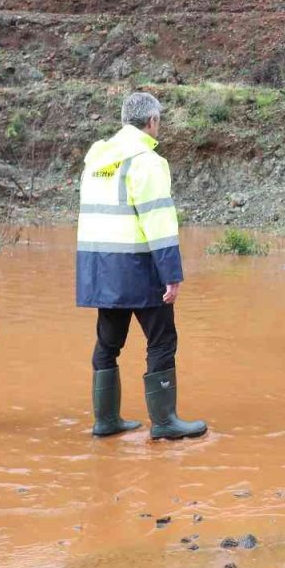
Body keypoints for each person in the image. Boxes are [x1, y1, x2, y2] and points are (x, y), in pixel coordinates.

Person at [76, 92, 206, 440]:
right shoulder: (146, 161)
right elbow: (159, 222)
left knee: (108, 343)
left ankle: (106, 421)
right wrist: (172, 275)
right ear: (152, 122)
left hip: (101, 268)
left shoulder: (98, 161)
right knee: (162, 340)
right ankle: (164, 423)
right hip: (139, 266)